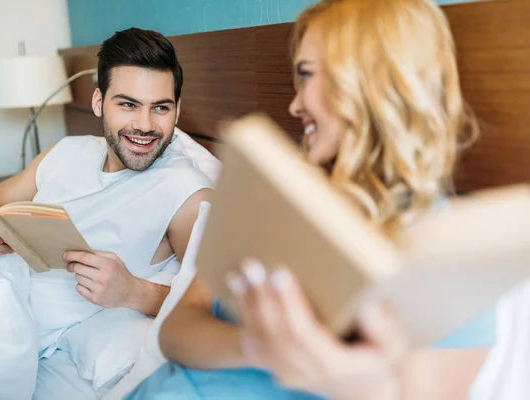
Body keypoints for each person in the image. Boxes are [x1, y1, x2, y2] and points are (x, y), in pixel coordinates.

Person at [124, 0, 494, 399]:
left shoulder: (453, 255)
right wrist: (260, 347)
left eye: (307, 75)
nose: (294, 104)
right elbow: (176, 332)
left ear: (370, 79)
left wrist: (346, 379)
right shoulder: (280, 197)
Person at [0, 28, 213, 399]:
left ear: (176, 107)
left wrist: (133, 292)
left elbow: (215, 304)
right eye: (128, 104)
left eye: (160, 107)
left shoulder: (186, 191)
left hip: (12, 318)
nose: (145, 125)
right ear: (98, 102)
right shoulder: (67, 151)